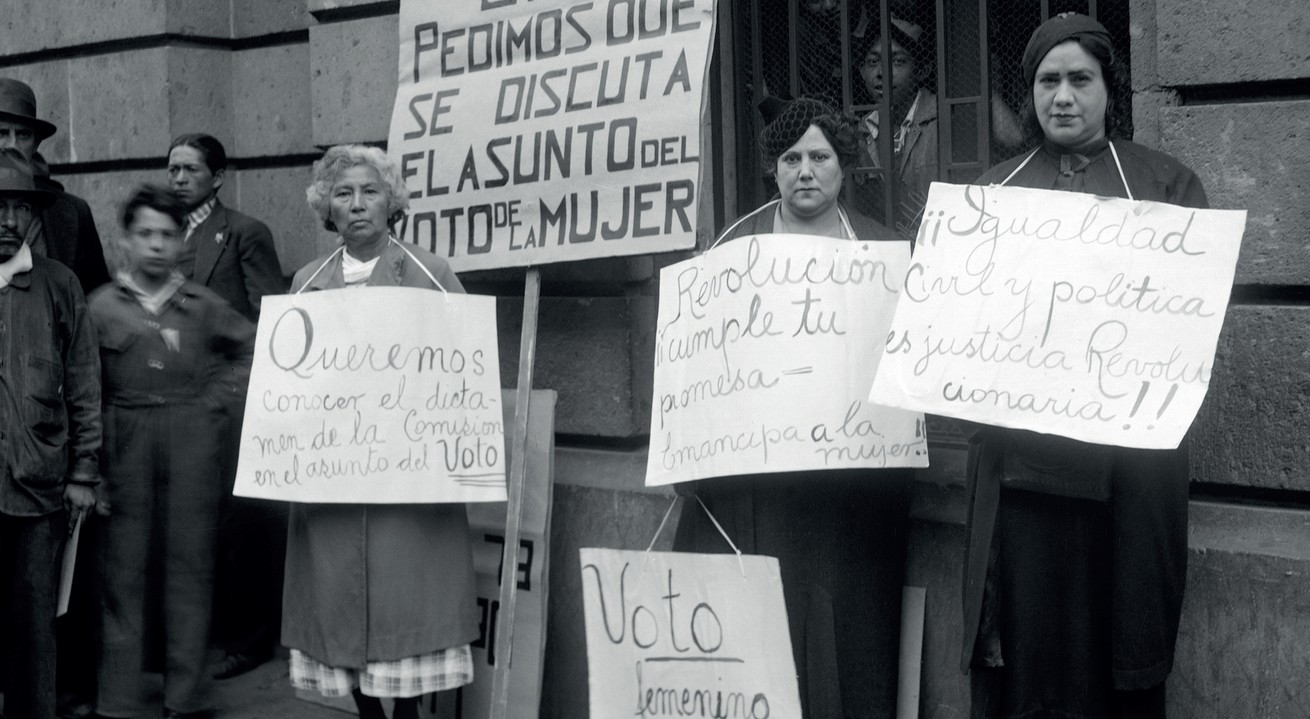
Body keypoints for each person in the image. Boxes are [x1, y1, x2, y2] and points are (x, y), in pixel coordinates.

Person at [959, 14, 1208, 719]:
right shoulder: (992, 196)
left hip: (1128, 478)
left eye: (1079, 79)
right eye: (1047, 81)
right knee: (1028, 648)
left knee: (1118, 637)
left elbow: (1190, 329)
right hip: (1021, 477)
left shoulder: (1165, 188)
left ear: (1108, 87)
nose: (1062, 96)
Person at [673, 97, 914, 717]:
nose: (805, 170)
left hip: (847, 489)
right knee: (760, 632)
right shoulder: (730, 251)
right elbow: (694, 363)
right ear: (772, 170)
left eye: (820, 157)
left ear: (844, 167)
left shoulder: (884, 254)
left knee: (843, 631)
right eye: (791, 158)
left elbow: (904, 367)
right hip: (756, 487)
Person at [282, 145, 476, 719]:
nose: (358, 204)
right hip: (334, 477)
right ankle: (367, 714)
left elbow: (464, 366)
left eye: (370, 191)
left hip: (406, 481)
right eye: (343, 194)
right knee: (342, 607)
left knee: (406, 607)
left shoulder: (429, 273)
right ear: (327, 209)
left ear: (392, 202)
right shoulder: (305, 281)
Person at [89, 185, 254, 719]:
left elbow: (252, 350)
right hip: (125, 442)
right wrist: (92, 469)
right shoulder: (101, 306)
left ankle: (186, 697)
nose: (157, 245)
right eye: (145, 234)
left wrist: (214, 401)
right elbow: (84, 383)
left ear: (183, 241)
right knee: (122, 575)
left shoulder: (204, 306)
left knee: (190, 571)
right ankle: (118, 699)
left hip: (191, 446)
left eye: (167, 234)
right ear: (125, 242)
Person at [164, 132, 289, 681]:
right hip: (176, 401)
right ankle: (204, 632)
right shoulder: (162, 237)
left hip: (235, 400)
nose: (180, 178)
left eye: (191, 169)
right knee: (193, 519)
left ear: (217, 177)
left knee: (244, 521)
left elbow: (269, 321)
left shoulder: (242, 233)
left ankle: (252, 638)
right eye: (173, 170)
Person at [0, 150, 100, 719]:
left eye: (21, 207)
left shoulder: (60, 284)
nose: (9, 219)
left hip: (39, 489)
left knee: (35, 628)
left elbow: (85, 380)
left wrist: (84, 470)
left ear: (36, 216)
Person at [855, 17, 1024, 238]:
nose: (882, 72)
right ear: (861, 71)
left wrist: (980, 89)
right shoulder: (860, 131)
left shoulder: (947, 116)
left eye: (898, 61)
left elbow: (1014, 139)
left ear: (923, 70)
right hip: (884, 253)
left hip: (944, 245)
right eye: (873, 62)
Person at [0, 78, 110, 296]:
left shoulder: (72, 213)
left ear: (37, 143)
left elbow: (95, 300)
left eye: (23, 135)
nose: (13, 145)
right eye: (1, 133)